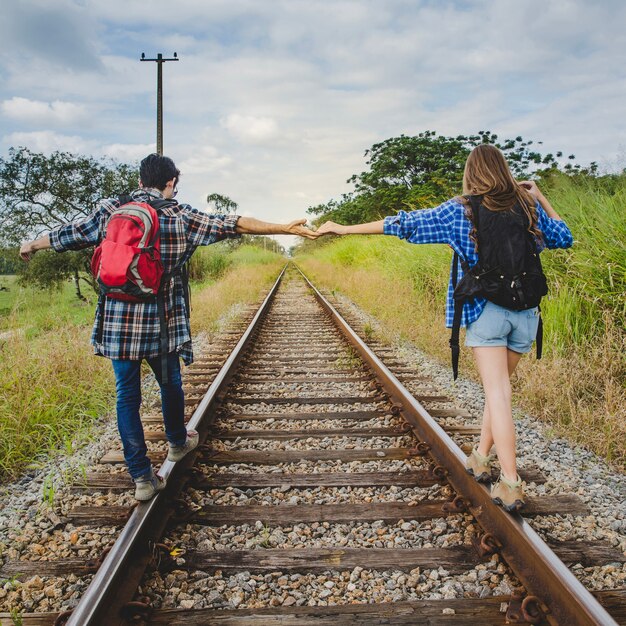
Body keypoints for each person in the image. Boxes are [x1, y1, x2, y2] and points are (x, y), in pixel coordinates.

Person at [20, 153, 318, 501]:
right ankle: (177, 442)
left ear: (141, 180)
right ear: (171, 182)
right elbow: (234, 223)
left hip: (118, 323)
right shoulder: (180, 216)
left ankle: (142, 478)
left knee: (126, 396)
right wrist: (285, 227)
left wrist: (32, 244)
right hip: (161, 324)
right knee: (169, 382)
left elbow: (69, 235)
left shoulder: (112, 211)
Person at [316, 144, 573, 511]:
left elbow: (404, 223)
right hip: (526, 316)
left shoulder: (462, 210)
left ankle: (512, 483)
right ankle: (481, 458)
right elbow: (564, 237)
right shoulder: (527, 207)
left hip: (487, 312)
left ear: (472, 173)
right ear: (504, 170)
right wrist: (541, 196)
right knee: (497, 392)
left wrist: (343, 229)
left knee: (498, 395)